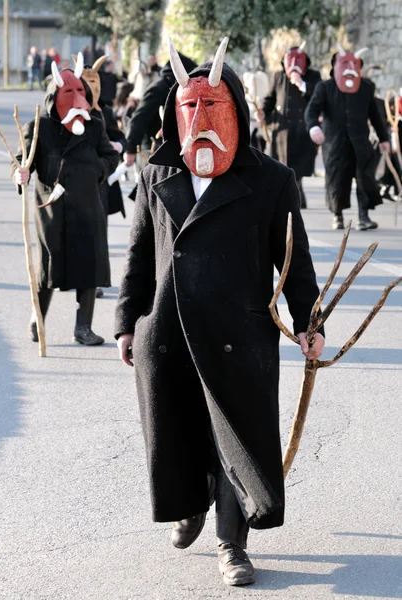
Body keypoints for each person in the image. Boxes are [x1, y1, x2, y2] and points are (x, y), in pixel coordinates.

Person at [115, 38, 325, 587]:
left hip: (239, 333)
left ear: (234, 106)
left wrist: (310, 323)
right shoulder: (157, 178)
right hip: (169, 332)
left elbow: (293, 262)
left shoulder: (269, 180)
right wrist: (125, 324)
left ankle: (232, 545)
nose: (201, 117)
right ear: (174, 114)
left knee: (234, 440)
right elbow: (139, 256)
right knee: (178, 430)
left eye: (213, 106)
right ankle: (190, 506)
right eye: (190, 107)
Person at [12, 53, 119, 345]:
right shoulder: (41, 126)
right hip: (52, 208)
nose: (76, 97)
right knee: (49, 265)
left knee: (89, 263)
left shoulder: (94, 123)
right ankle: (38, 319)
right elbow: (22, 160)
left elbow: (111, 155)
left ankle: (83, 327)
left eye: (79, 91)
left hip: (88, 204)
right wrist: (19, 174)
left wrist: (99, 169)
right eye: (68, 91)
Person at [305, 44, 390, 230]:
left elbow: (375, 115)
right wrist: (313, 128)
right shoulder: (324, 87)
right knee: (337, 180)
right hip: (335, 145)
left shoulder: (366, 88)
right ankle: (338, 215)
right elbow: (311, 110)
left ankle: (363, 216)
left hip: (361, 144)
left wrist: (384, 139)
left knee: (364, 179)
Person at [78, 54, 128, 297]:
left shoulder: (104, 112)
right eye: (87, 83)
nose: (92, 88)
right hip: (77, 182)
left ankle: (94, 280)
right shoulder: (72, 112)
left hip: (101, 182)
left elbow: (119, 137)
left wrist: (118, 147)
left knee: (99, 230)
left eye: (95, 82)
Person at [261, 43, 321, 209]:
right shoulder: (279, 76)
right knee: (281, 168)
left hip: (302, 131)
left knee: (298, 169)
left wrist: (301, 84)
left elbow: (319, 96)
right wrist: (263, 113)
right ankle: (294, 196)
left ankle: (295, 194)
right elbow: (270, 99)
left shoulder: (314, 76)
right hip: (281, 131)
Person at [123, 52, 197, 169]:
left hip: (166, 148)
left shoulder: (175, 88)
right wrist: (130, 149)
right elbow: (139, 118)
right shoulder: (159, 88)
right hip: (151, 148)